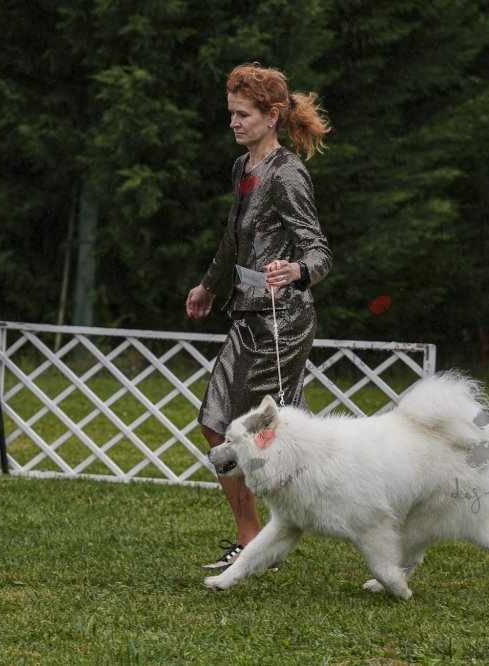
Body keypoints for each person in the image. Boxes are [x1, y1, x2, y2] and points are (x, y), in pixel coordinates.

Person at [185, 63, 332, 571]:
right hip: (247, 316)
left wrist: (297, 269)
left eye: (243, 114)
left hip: (282, 322)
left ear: (272, 117)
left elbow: (319, 250)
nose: (233, 122)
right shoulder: (242, 167)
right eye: (231, 113)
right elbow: (233, 239)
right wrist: (209, 285)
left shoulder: (287, 173)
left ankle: (357, 497)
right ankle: (252, 538)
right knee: (214, 425)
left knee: (269, 436)